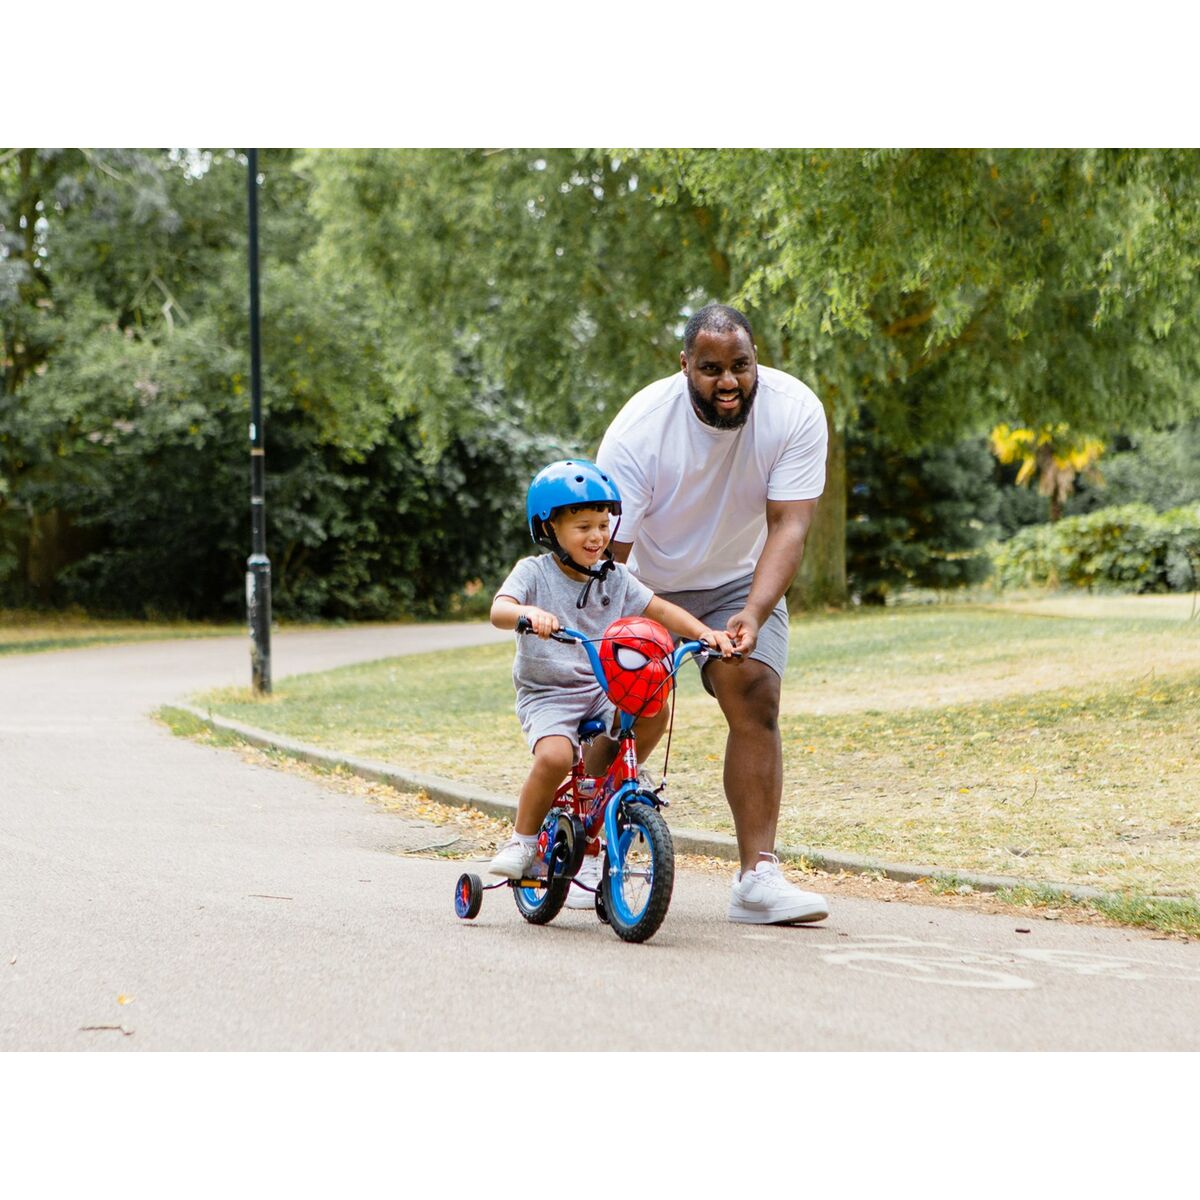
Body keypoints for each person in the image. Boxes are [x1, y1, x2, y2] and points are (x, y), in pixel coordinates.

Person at [596, 302, 831, 924]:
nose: (728, 382)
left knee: (754, 689)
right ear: (684, 367)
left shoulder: (795, 410)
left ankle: (758, 879)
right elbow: (607, 555)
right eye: (710, 368)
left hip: (737, 579)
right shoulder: (641, 430)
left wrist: (754, 612)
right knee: (633, 705)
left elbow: (789, 525)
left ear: (757, 360)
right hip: (644, 582)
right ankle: (586, 834)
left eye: (740, 365)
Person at [488, 459, 736, 908]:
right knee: (556, 756)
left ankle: (617, 774)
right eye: (583, 526)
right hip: (550, 692)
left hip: (602, 687)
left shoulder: (615, 576)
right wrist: (528, 614)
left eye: (603, 524)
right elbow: (499, 609)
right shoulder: (534, 573)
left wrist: (703, 634)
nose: (597, 536)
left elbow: (658, 608)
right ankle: (523, 840)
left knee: (655, 703)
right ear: (549, 529)